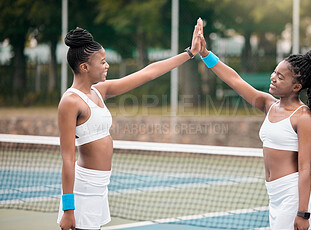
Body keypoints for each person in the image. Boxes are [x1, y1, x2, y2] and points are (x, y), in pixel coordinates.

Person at [57, 19, 203, 230]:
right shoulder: (70, 101)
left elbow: (148, 72)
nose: (107, 65)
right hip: (83, 190)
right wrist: (69, 210)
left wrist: (190, 53)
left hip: (100, 186)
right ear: (84, 66)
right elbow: (68, 159)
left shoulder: (100, 91)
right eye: (103, 61)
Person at [197, 19, 311, 230]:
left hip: (293, 197)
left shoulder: (303, 117)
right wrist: (205, 53)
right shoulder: (268, 104)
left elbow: (305, 169)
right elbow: (235, 81)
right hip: (274, 195)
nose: (273, 78)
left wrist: (303, 213)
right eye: (274, 72)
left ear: (297, 86)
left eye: (280, 77)